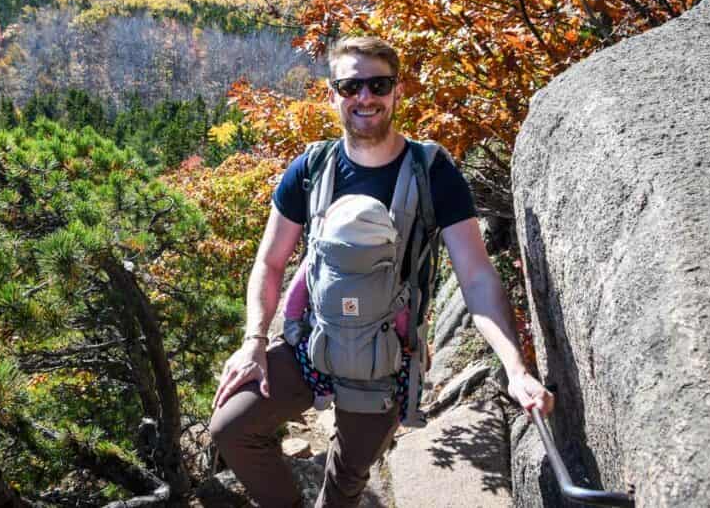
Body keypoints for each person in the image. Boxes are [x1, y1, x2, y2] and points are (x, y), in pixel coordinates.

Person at [209, 36, 554, 508]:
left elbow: (476, 277)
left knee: (347, 478)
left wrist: (515, 369)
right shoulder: (310, 169)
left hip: (387, 359)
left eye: (378, 84)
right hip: (313, 342)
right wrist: (253, 343)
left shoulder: (432, 173)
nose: (364, 97)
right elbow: (269, 263)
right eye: (351, 86)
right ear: (332, 94)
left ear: (396, 91)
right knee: (233, 427)